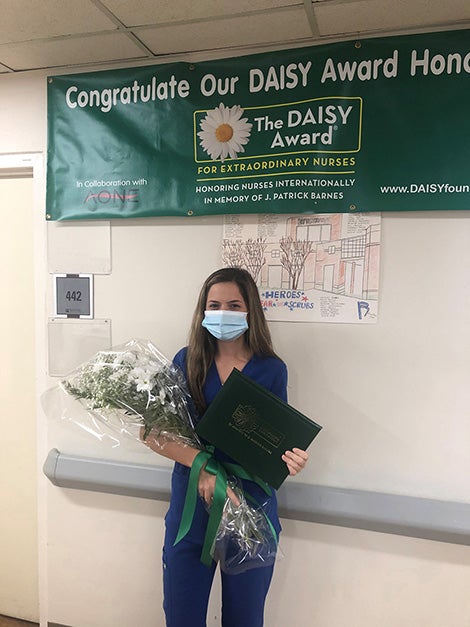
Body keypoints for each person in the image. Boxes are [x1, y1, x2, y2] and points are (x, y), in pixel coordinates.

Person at [145, 267, 308, 627]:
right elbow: (155, 433)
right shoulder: (186, 361)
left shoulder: (272, 370)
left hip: (250, 510)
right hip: (192, 512)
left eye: (234, 305)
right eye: (214, 305)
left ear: (251, 311)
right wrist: (203, 465)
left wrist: (290, 460)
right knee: (181, 618)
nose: (223, 313)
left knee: (245, 620)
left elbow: (271, 440)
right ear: (203, 311)